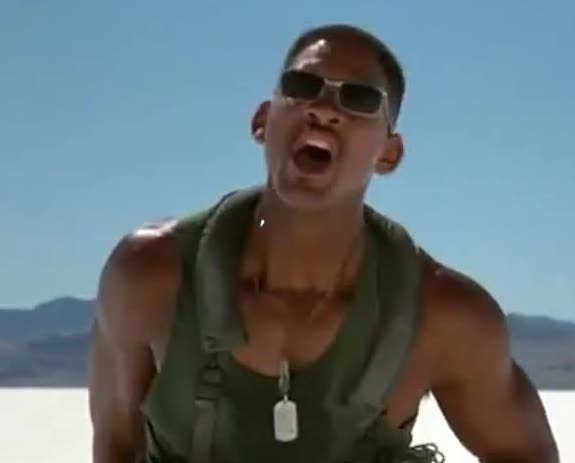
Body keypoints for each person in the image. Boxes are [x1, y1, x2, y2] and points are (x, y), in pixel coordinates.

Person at [89, 24, 559, 463]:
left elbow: (526, 454)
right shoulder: (150, 276)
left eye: (359, 99)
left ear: (388, 153)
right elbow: (116, 444)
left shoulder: (444, 317)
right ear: (262, 120)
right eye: (302, 86)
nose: (324, 109)